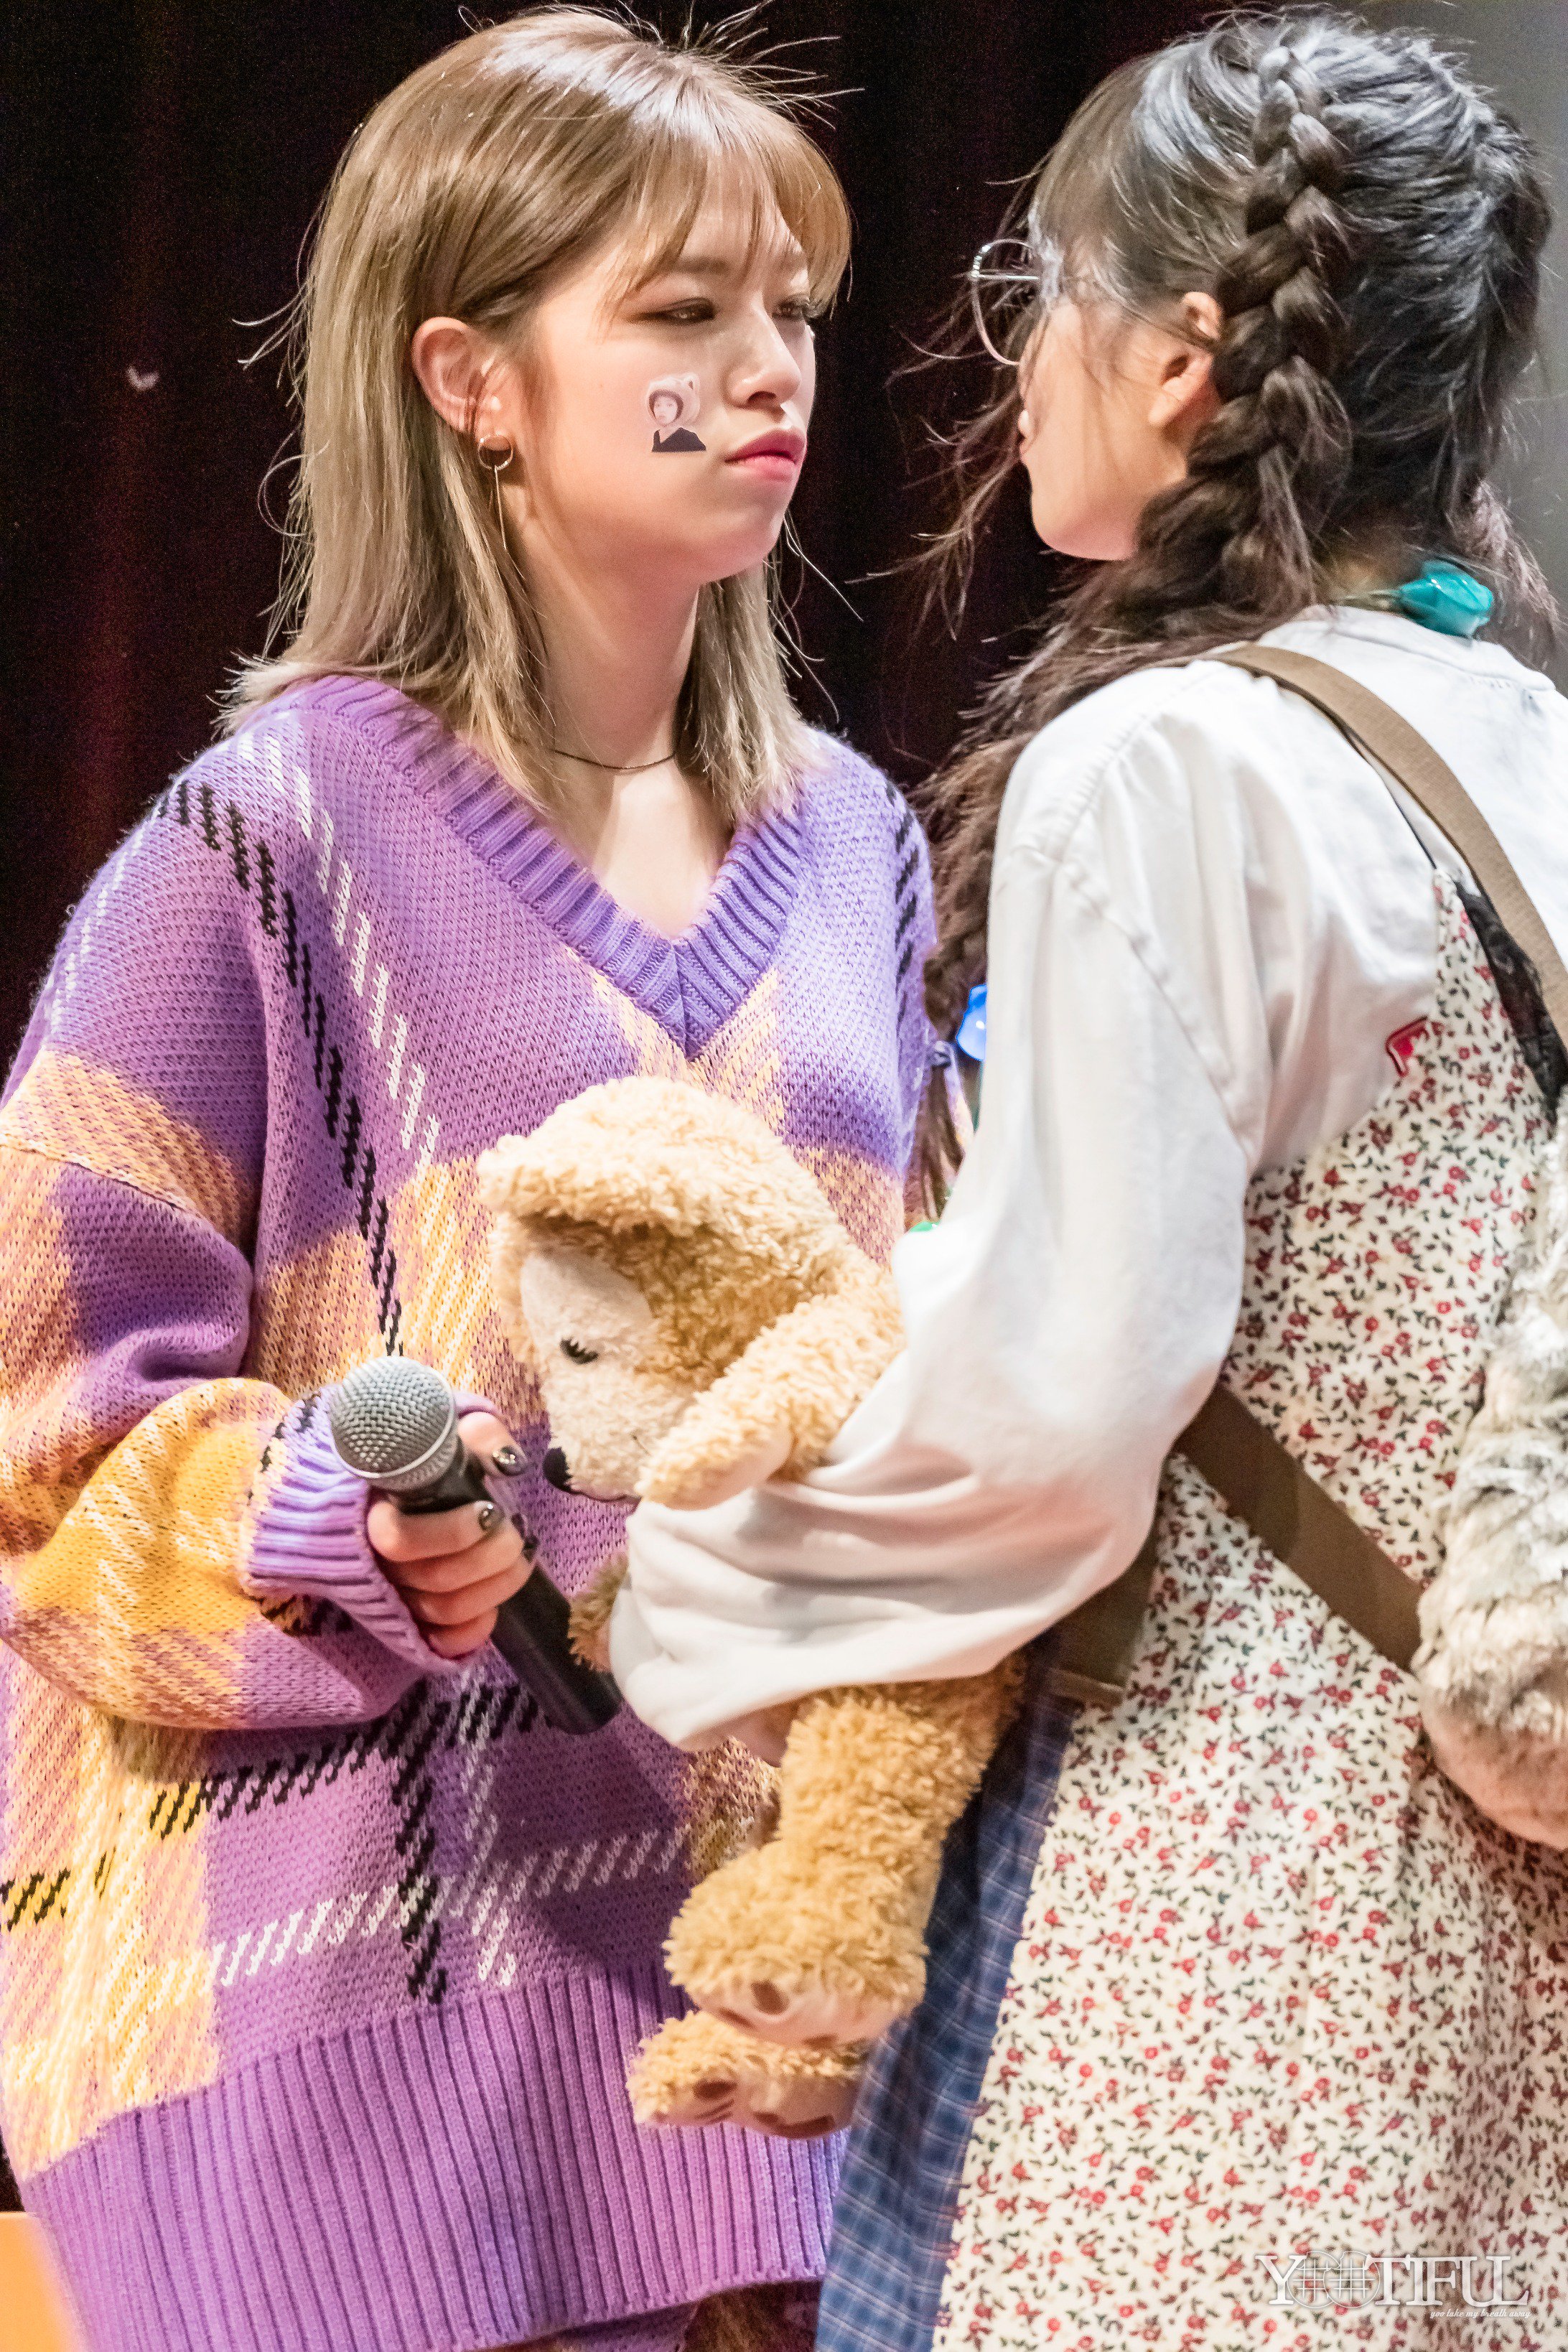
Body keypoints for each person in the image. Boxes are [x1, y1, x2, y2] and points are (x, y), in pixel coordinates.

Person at [615, 13, 1568, 2343]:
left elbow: (1052, 1405)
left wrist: (697, 1594)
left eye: (1044, 289)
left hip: (1194, 1906)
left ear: (1186, 356)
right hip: (1491, 1909)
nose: (1021, 356)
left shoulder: (1168, 762)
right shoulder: (1531, 737)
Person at [0, 14, 937, 2352]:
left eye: (795, 308)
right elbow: (37, 1448)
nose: (769, 369)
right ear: (471, 380)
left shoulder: (858, 843)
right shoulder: (257, 844)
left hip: (760, 2045)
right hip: (362, 2070)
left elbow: (884, 1368)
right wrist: (332, 1507)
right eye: (684, 310)